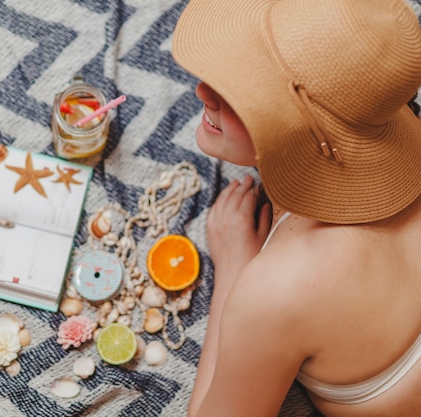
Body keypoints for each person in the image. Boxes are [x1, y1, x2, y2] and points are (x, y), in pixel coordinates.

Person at [171, 0, 421, 416]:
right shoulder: (392, 116)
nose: (202, 91)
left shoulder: (280, 288)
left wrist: (234, 268)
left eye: (242, 93)